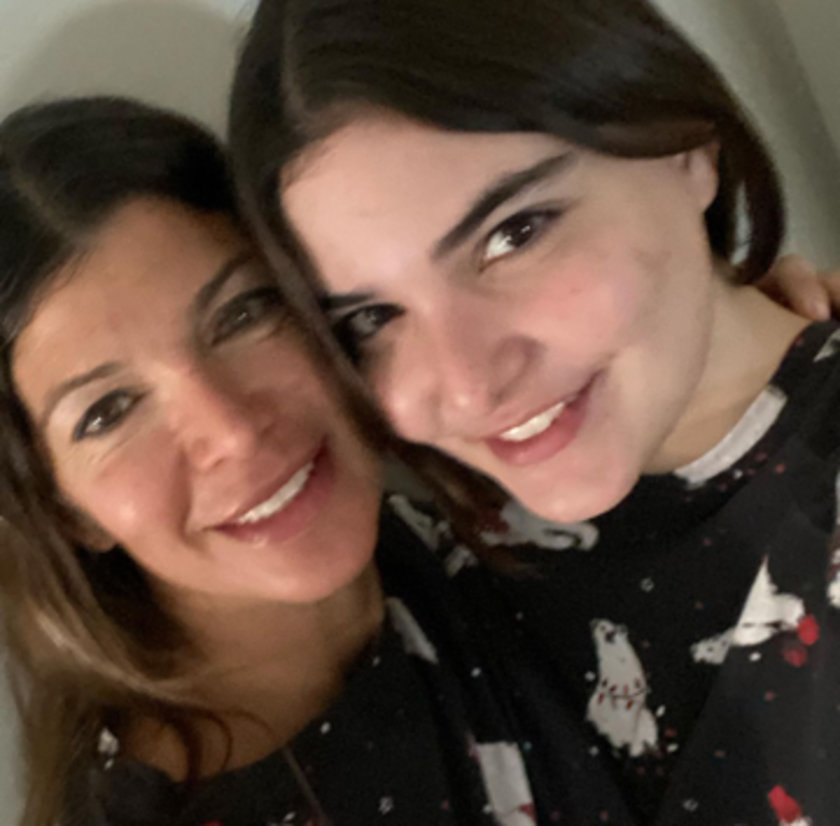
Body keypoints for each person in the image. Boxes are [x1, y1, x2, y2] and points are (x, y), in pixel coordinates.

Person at [228, 0, 840, 822]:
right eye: (371, 318)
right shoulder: (423, 580)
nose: (468, 385)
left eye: (515, 233)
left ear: (685, 146)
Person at [0, 96, 605, 826]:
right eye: (108, 412)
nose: (232, 432)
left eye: (242, 314)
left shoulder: (498, 523)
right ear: (63, 509)